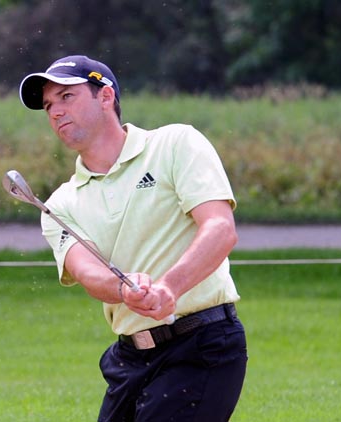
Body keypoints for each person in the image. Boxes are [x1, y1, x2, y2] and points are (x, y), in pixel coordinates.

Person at [19, 55, 248, 421]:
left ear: (105, 97)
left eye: (66, 97)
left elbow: (220, 229)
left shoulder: (175, 144)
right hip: (130, 358)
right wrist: (124, 290)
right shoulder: (60, 204)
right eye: (48, 105)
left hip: (202, 345)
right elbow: (88, 273)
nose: (55, 112)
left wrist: (169, 287)